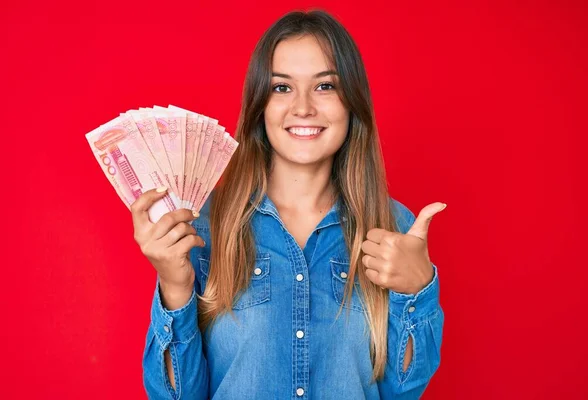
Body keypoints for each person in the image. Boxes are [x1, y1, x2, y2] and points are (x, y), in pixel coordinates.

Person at [134, 9, 445, 400]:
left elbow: (401, 392)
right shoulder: (205, 226)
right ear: (259, 105)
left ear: (352, 102)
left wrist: (416, 292)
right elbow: (174, 397)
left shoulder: (394, 226)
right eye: (282, 88)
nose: (302, 107)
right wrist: (173, 286)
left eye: (325, 86)